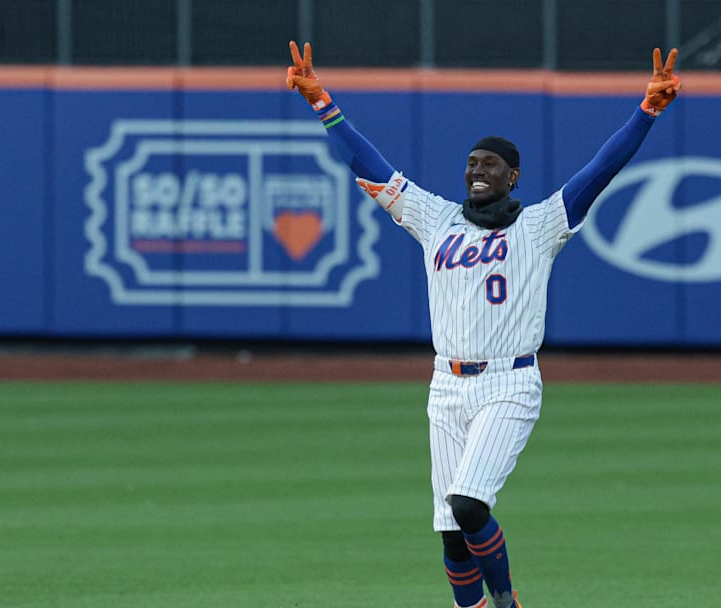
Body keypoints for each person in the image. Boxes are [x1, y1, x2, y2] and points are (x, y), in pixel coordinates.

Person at [286, 40, 680, 608]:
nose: (476, 170)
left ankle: (507, 604)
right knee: (450, 532)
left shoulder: (542, 224)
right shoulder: (436, 218)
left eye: (489, 164)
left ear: (512, 176)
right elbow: (368, 164)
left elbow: (602, 169)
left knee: (470, 505)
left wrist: (646, 112)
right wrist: (322, 103)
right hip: (445, 385)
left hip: (508, 383)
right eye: (471, 162)